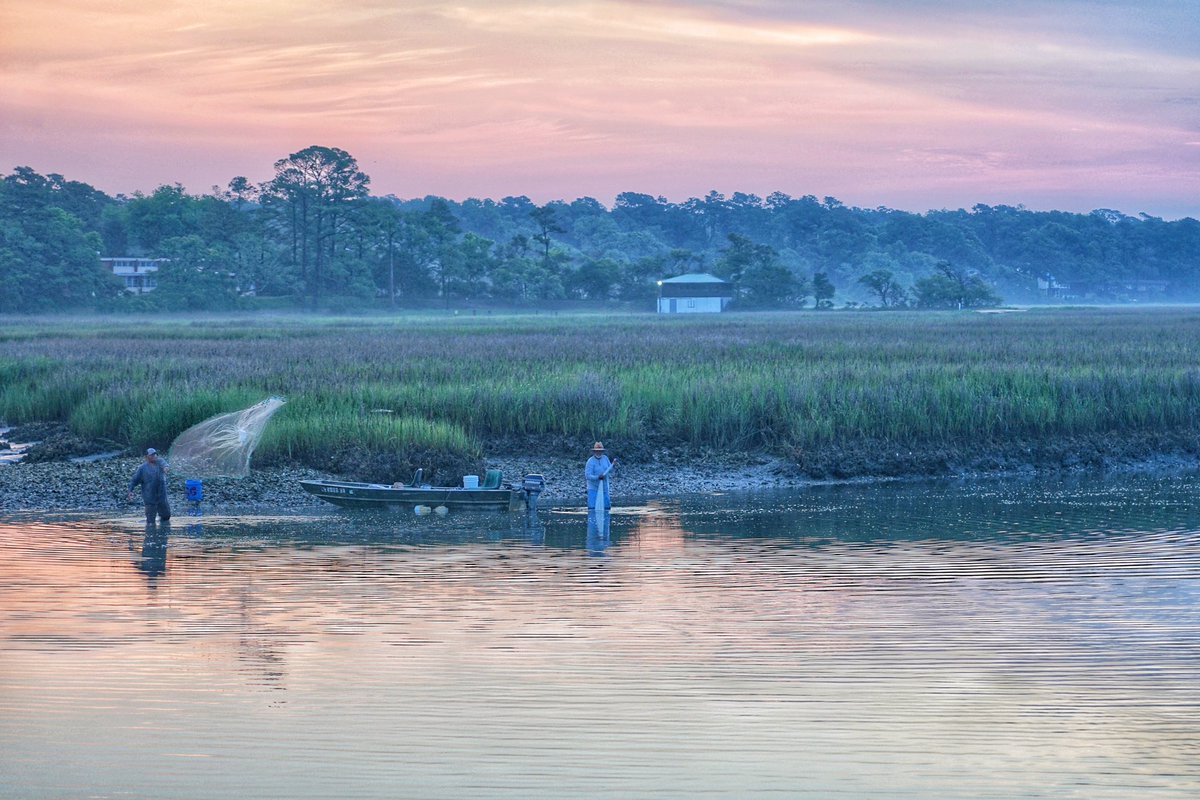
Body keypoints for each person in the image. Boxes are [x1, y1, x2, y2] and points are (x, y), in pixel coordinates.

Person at [128, 448, 171, 526]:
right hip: (149, 498)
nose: (154, 456)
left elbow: (165, 465)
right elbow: (134, 480)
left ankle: (163, 533)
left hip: (161, 496)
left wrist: (166, 469)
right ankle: (151, 535)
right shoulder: (142, 468)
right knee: (150, 522)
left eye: (155, 454)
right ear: (147, 457)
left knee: (166, 516)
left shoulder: (160, 462)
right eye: (152, 455)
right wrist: (130, 491)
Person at [584, 441, 615, 510]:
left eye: (600, 451)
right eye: (597, 451)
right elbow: (587, 476)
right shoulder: (590, 461)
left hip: (604, 487)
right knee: (592, 508)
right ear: (594, 452)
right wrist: (597, 477)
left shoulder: (605, 458)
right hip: (593, 488)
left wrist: (613, 464)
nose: (599, 452)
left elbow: (609, 469)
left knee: (607, 508)